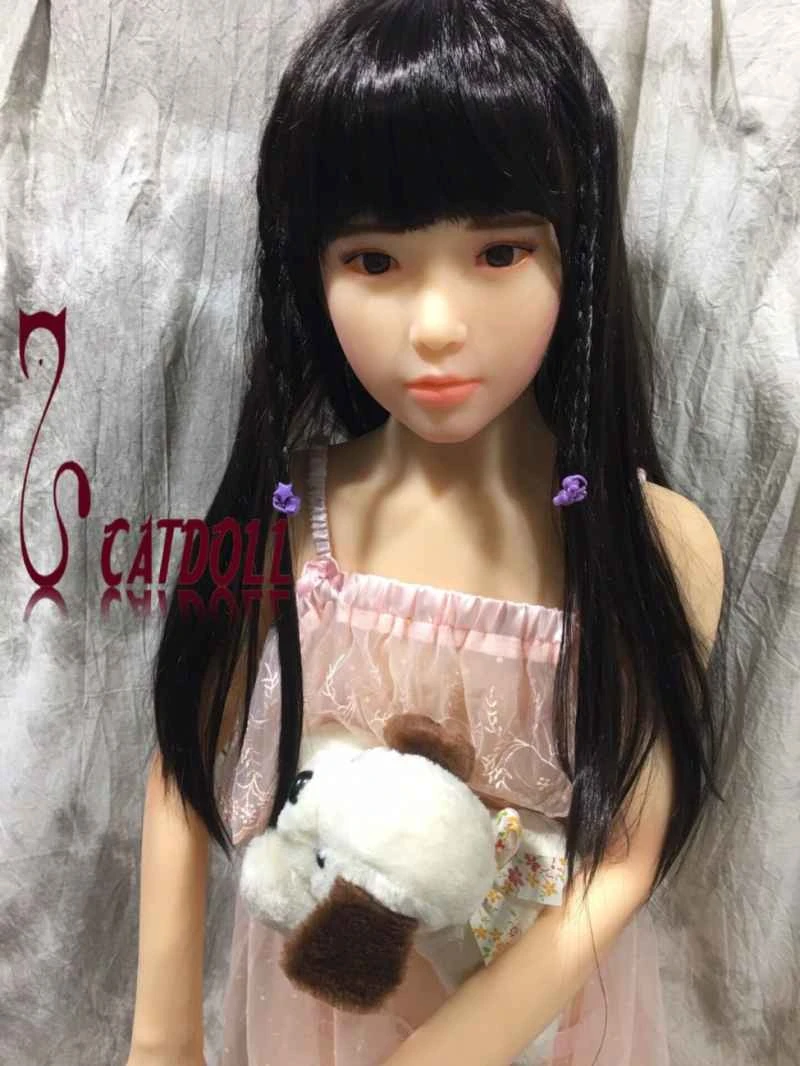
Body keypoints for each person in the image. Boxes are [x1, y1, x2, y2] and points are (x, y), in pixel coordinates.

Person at [126, 0, 726, 1063]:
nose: (437, 326)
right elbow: (182, 755)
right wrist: (163, 1039)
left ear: (577, 254)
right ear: (310, 273)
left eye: (500, 252)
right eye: (374, 262)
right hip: (312, 1021)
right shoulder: (273, 519)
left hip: (534, 1030)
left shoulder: (655, 546)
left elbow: (622, 863)